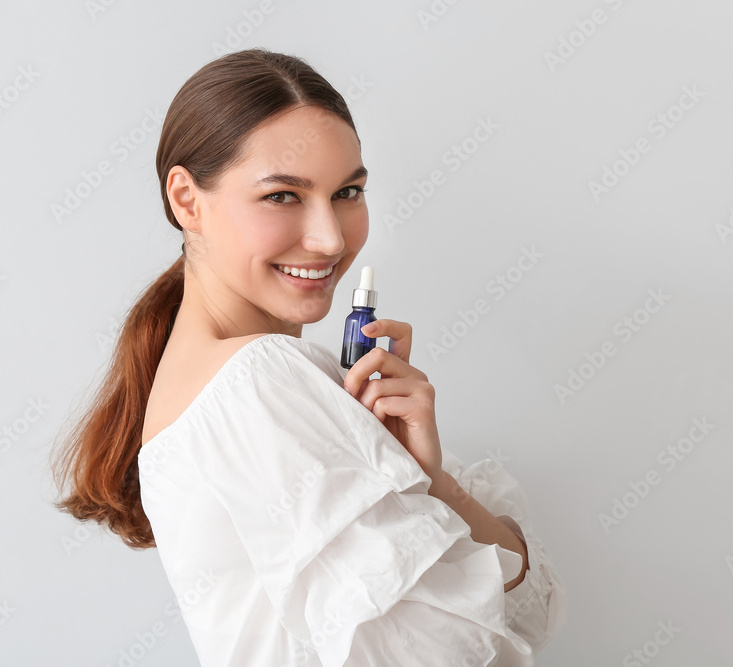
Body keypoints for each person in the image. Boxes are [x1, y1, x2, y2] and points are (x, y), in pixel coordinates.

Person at [51, 47, 564, 666]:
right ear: (187, 200)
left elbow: (529, 612)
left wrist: (431, 482)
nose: (330, 238)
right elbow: (462, 652)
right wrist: (432, 492)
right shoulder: (259, 381)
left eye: (348, 191)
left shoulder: (238, 379)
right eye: (283, 196)